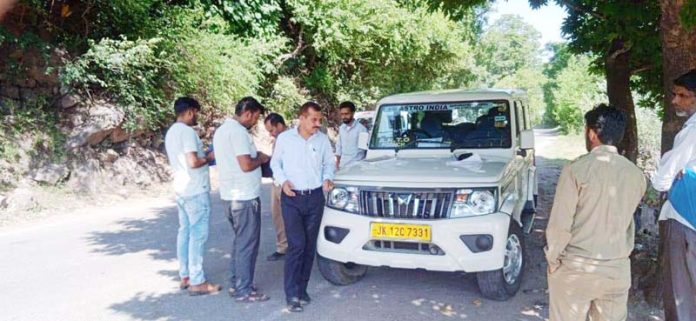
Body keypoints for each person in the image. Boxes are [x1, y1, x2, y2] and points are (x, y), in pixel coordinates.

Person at [545, 105, 646, 321]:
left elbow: (559, 224)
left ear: (591, 133)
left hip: (576, 268)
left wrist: (553, 260)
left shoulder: (576, 170)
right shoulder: (636, 175)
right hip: (617, 269)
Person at [271, 102, 335, 312]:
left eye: (320, 120)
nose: (318, 124)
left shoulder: (322, 139)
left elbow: (329, 163)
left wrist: (327, 178)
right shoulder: (285, 139)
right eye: (313, 120)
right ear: (302, 118)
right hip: (292, 197)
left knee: (309, 247)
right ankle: (291, 294)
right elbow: (275, 164)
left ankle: (302, 289)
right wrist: (282, 181)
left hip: (315, 197)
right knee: (296, 245)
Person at [213, 96, 270, 303]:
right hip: (244, 197)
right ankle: (244, 290)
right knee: (247, 244)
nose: (255, 122)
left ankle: (237, 282)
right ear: (248, 113)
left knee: (240, 242)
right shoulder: (238, 132)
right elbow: (246, 164)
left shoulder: (221, 131)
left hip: (229, 196)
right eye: (255, 118)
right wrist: (262, 158)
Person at [651, 69, 696, 320]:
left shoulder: (692, 131)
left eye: (683, 95)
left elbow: (662, 180)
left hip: (685, 217)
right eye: (675, 94)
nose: (675, 100)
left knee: (682, 292)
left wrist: (677, 173)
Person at [164, 97, 221, 296]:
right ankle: (198, 282)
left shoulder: (171, 132)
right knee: (198, 236)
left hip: (181, 190)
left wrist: (202, 155)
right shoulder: (187, 132)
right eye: (196, 112)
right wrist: (210, 157)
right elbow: (193, 162)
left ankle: (186, 275)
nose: (197, 116)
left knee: (185, 233)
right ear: (189, 111)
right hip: (195, 190)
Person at [263, 112, 289, 261]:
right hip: (276, 183)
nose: (271, 134)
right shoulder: (276, 141)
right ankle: (283, 247)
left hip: (288, 184)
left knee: (291, 218)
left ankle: (297, 247)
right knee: (277, 216)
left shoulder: (293, 139)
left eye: (272, 130)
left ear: (280, 125)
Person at [335, 101, 367, 169]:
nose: (344, 116)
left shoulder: (362, 129)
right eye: (342, 114)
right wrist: (337, 164)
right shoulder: (341, 128)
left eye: (346, 114)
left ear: (353, 113)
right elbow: (339, 147)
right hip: (342, 166)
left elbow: (363, 152)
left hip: (356, 167)